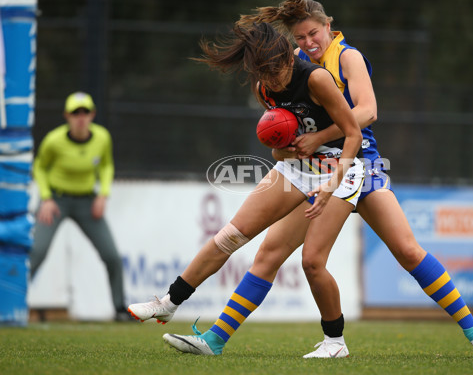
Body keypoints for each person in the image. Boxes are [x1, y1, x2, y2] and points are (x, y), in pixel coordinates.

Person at [163, 0, 473, 359]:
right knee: (270, 254)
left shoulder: (347, 57)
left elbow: (368, 112)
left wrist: (319, 138)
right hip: (314, 170)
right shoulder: (289, 66)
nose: (308, 42)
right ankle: (215, 340)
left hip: (360, 164)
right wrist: (288, 144)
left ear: (328, 25)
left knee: (407, 250)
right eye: (300, 37)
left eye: (313, 33)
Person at [128, 22, 365, 357]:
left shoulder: (316, 78)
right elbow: (279, 151)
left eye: (277, 70)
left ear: (287, 56)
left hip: (343, 166)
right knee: (231, 236)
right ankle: (168, 302)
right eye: (264, 73)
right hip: (299, 166)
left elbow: (354, 134)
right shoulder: (264, 89)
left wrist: (330, 184)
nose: (273, 80)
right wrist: (284, 147)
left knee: (311, 262)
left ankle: (335, 342)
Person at [30, 91, 130, 321]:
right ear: (67, 116)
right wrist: (46, 198)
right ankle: (11, 305)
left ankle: (119, 308)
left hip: (87, 201)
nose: (81, 117)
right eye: (76, 113)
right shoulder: (54, 141)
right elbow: (40, 167)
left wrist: (103, 195)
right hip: (56, 201)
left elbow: (106, 166)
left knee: (112, 255)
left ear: (93, 114)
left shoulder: (102, 137)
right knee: (37, 252)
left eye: (85, 112)